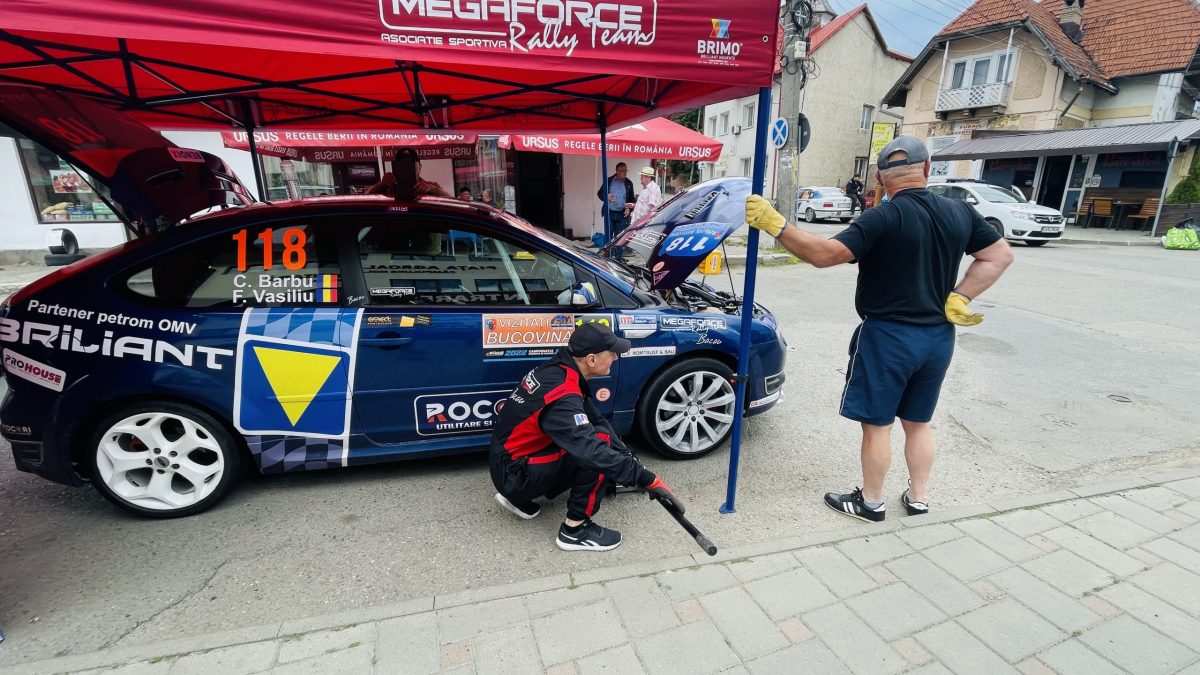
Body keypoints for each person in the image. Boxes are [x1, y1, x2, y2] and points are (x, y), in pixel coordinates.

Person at [744, 135, 1013, 522]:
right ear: (927, 168)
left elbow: (825, 255)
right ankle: (918, 499)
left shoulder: (882, 217)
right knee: (918, 423)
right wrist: (961, 295)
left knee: (877, 426)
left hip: (888, 337)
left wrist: (777, 224)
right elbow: (999, 255)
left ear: (880, 178)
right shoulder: (960, 212)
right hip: (938, 337)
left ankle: (870, 503)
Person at [489, 322, 678, 551]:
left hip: (507, 465)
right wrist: (647, 479)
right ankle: (574, 530)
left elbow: (596, 420)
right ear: (591, 359)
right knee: (598, 449)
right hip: (514, 476)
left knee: (602, 441)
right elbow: (592, 450)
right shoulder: (563, 394)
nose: (615, 358)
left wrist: (629, 460)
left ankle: (517, 499)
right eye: (612, 353)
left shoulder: (560, 369)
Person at [366, 156, 451, 198]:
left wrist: (431, 189)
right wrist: (381, 184)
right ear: (395, 167)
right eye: (402, 166)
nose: (406, 169)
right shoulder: (387, 186)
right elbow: (366, 198)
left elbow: (450, 200)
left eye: (411, 166)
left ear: (420, 167)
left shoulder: (429, 187)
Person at [597, 162, 635, 236]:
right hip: (609, 213)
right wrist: (606, 196)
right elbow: (600, 193)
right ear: (617, 171)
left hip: (622, 214)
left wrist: (629, 209)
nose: (625, 173)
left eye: (626, 170)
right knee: (608, 236)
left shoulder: (629, 183)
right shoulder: (608, 181)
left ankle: (617, 244)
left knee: (619, 237)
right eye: (622, 171)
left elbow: (632, 200)